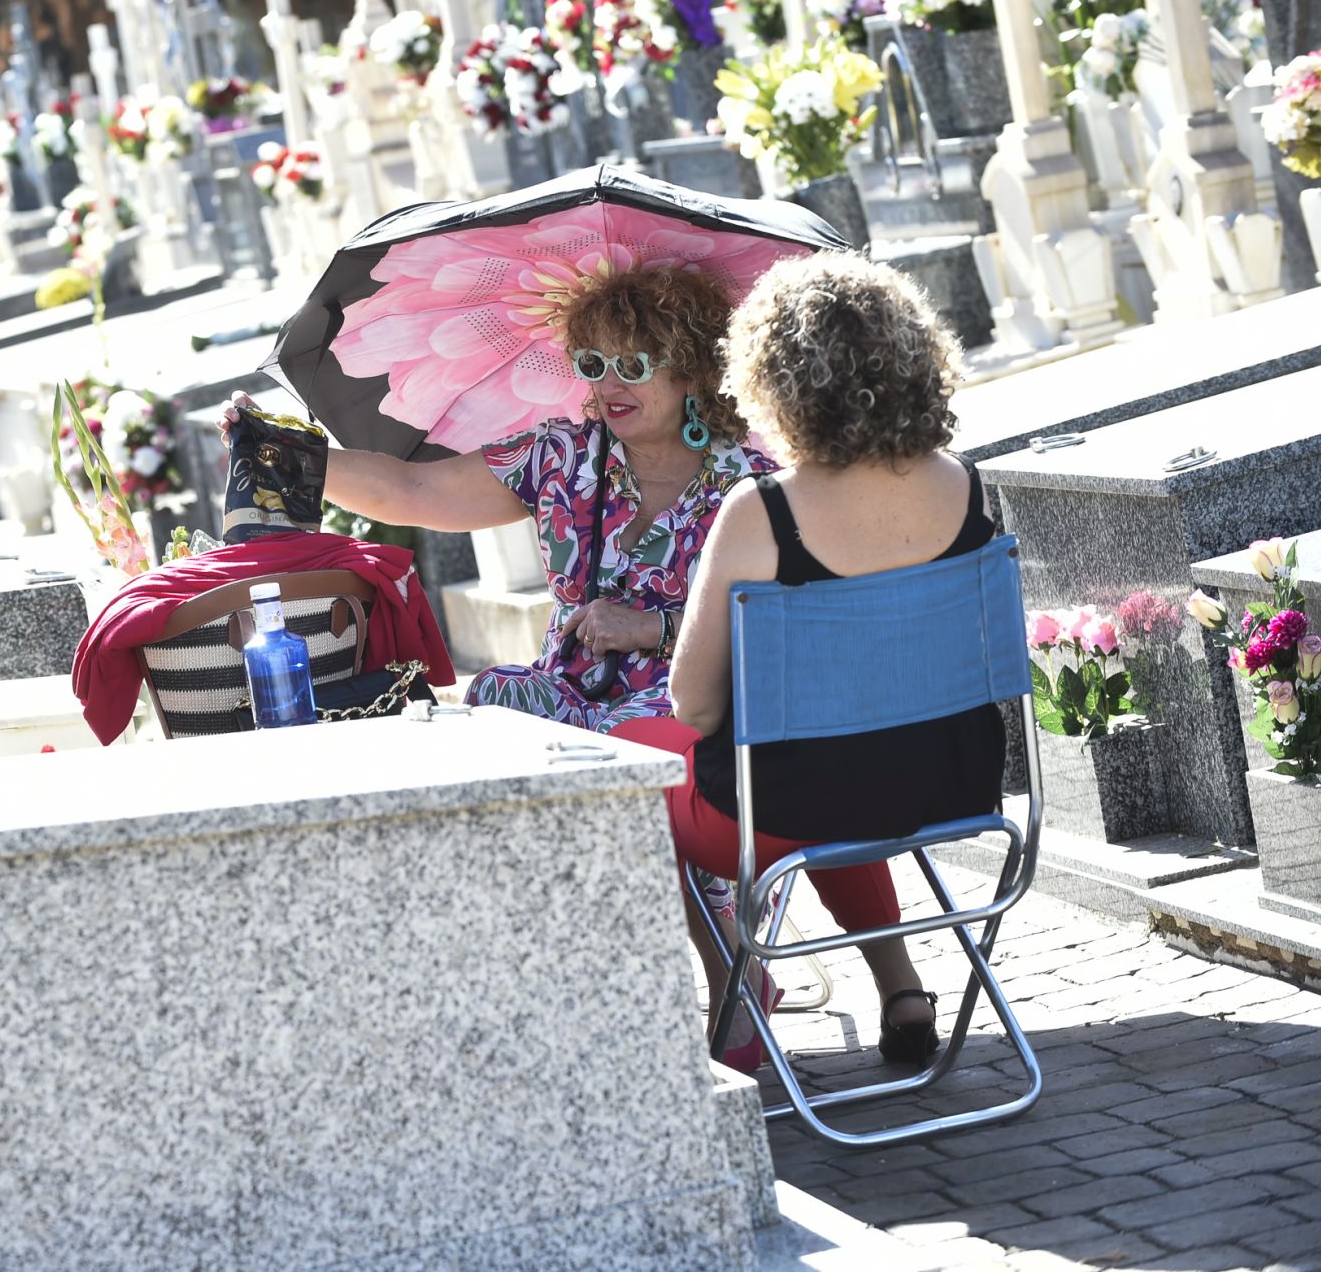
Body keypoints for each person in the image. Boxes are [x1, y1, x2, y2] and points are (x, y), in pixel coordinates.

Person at [618, 251, 1004, 1070]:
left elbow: (693, 706)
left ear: (771, 382)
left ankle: (734, 985)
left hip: (790, 808)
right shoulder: (967, 488)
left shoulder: (761, 514)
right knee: (818, 767)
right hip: (951, 786)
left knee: (633, 763)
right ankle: (901, 988)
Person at [222, 262, 777, 734]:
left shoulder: (755, 486)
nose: (610, 386)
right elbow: (411, 489)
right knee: (497, 693)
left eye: (633, 366)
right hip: (566, 697)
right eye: (594, 364)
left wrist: (654, 629)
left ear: (692, 373)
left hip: (687, 705)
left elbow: (783, 624)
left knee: (635, 733)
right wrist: (281, 449)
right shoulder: (561, 456)